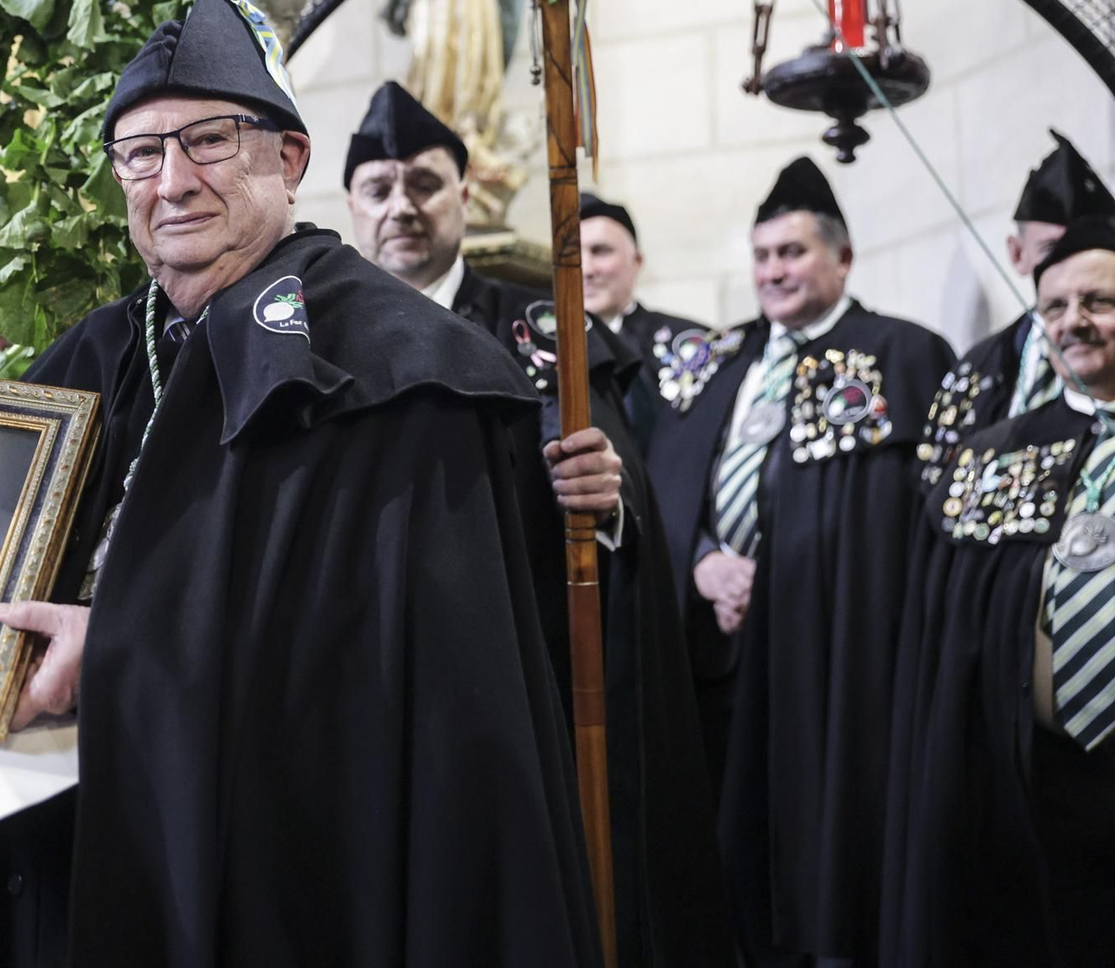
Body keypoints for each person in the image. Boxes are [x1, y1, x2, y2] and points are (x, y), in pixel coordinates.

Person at [0, 0, 600, 966]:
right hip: (91, 831)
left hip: (300, 873)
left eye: (207, 142)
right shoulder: (88, 357)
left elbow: (381, 677)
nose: (172, 180)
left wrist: (117, 654)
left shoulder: (400, 365)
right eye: (139, 154)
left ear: (288, 157)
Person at [345, 77, 734, 968]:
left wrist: (610, 494)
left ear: (465, 193)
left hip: (527, 679)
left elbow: (615, 467)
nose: (402, 205)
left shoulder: (541, 324)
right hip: (376, 678)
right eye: (379, 187)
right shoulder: (322, 342)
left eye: (425, 183)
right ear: (352, 206)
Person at [648, 156, 954, 967]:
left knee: (831, 852)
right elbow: (667, 483)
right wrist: (701, 560)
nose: (773, 271)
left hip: (837, 666)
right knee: (728, 847)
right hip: (719, 653)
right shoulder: (718, 361)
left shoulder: (905, 353)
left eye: (792, 252)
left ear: (842, 258)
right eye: (762, 256)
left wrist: (785, 578)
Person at [881, 216, 1115, 968]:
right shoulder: (993, 453)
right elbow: (950, 630)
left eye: (1098, 300)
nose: (1073, 320)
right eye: (1054, 305)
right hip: (1034, 779)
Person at [920, 131, 1115, 480]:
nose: (1071, 260)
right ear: (1016, 253)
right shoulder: (977, 371)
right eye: (1052, 250)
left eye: (1090, 245)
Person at [580, 192, 707, 450]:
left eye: (600, 251)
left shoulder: (691, 343)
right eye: (572, 255)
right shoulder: (537, 352)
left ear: (636, 261)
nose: (586, 269)